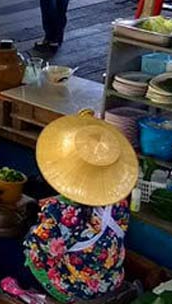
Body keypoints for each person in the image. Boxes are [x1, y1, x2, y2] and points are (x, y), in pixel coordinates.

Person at [26, 114, 136, 302]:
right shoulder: (119, 203)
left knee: (18, 253)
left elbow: (38, 255)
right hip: (110, 281)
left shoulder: (61, 211)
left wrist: (35, 226)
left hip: (76, 290)